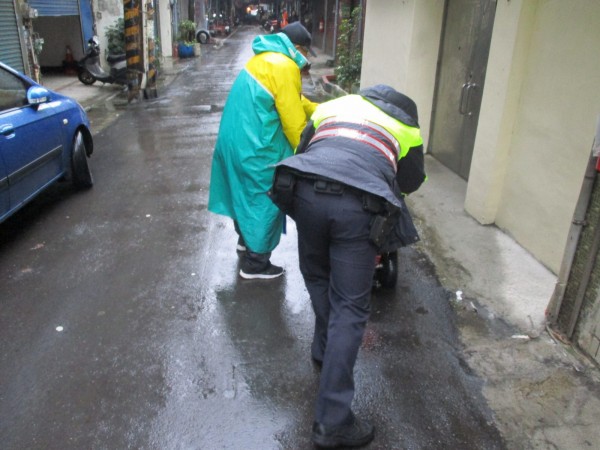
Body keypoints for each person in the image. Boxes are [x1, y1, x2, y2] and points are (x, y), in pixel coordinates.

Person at [269, 85, 426, 448]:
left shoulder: (333, 107)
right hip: (358, 207)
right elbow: (411, 182)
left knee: (317, 276)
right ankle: (333, 423)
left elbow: (304, 150)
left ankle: (325, 349)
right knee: (351, 306)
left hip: (305, 192)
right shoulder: (405, 127)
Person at [208, 22, 318, 280]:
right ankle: (255, 264)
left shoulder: (265, 60)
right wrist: (308, 154)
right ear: (298, 48)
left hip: (233, 142)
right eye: (305, 53)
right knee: (264, 198)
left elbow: (292, 99)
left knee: (243, 193)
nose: (305, 60)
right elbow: (293, 124)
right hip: (256, 149)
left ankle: (245, 243)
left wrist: (320, 110)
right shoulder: (286, 65)